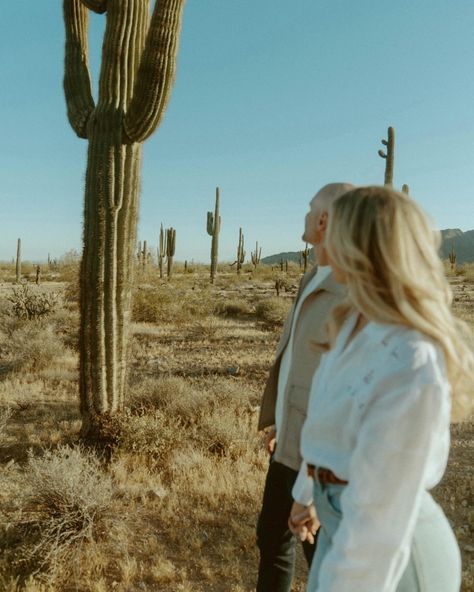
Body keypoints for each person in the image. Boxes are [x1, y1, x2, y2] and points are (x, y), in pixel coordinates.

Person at [289, 185, 474, 592]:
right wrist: (307, 494)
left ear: (363, 244)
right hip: (341, 522)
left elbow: (381, 522)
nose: (321, 233)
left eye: (334, 226)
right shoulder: (353, 322)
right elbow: (325, 425)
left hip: (393, 555)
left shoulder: (411, 360)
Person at [256, 182, 355, 592]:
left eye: (309, 207)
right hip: (292, 442)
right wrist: (280, 421)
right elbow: (299, 365)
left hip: (322, 458)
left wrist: (313, 488)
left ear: (323, 220)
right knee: (271, 536)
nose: (303, 214)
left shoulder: (350, 295)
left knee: (322, 556)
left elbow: (343, 397)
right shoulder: (312, 278)